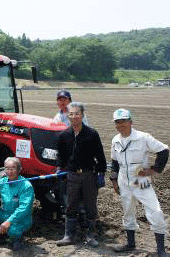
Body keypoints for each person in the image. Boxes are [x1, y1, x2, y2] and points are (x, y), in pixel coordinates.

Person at [110, 108, 169, 257]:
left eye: (123, 121)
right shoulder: (115, 140)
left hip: (140, 179)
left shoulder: (143, 137)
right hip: (124, 179)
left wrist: (154, 170)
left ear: (130, 122)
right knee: (128, 211)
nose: (120, 125)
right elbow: (114, 162)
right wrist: (114, 182)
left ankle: (161, 251)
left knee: (155, 210)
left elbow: (163, 150)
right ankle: (130, 244)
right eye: (117, 122)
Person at [56, 102, 106, 247]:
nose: (74, 116)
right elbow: (61, 156)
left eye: (77, 113)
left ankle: (90, 236)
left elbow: (100, 156)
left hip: (89, 175)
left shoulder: (92, 133)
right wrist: (60, 168)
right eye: (71, 114)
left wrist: (101, 173)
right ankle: (69, 236)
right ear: (67, 115)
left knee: (91, 206)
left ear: (82, 115)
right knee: (70, 205)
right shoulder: (64, 135)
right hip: (72, 176)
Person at [0, 157, 34, 251]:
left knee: (13, 231)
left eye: (13, 168)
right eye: (7, 168)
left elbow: (24, 208)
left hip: (21, 218)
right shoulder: (2, 182)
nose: (9, 171)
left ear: (19, 169)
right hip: (5, 214)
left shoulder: (26, 186)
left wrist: (9, 221)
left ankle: (17, 238)